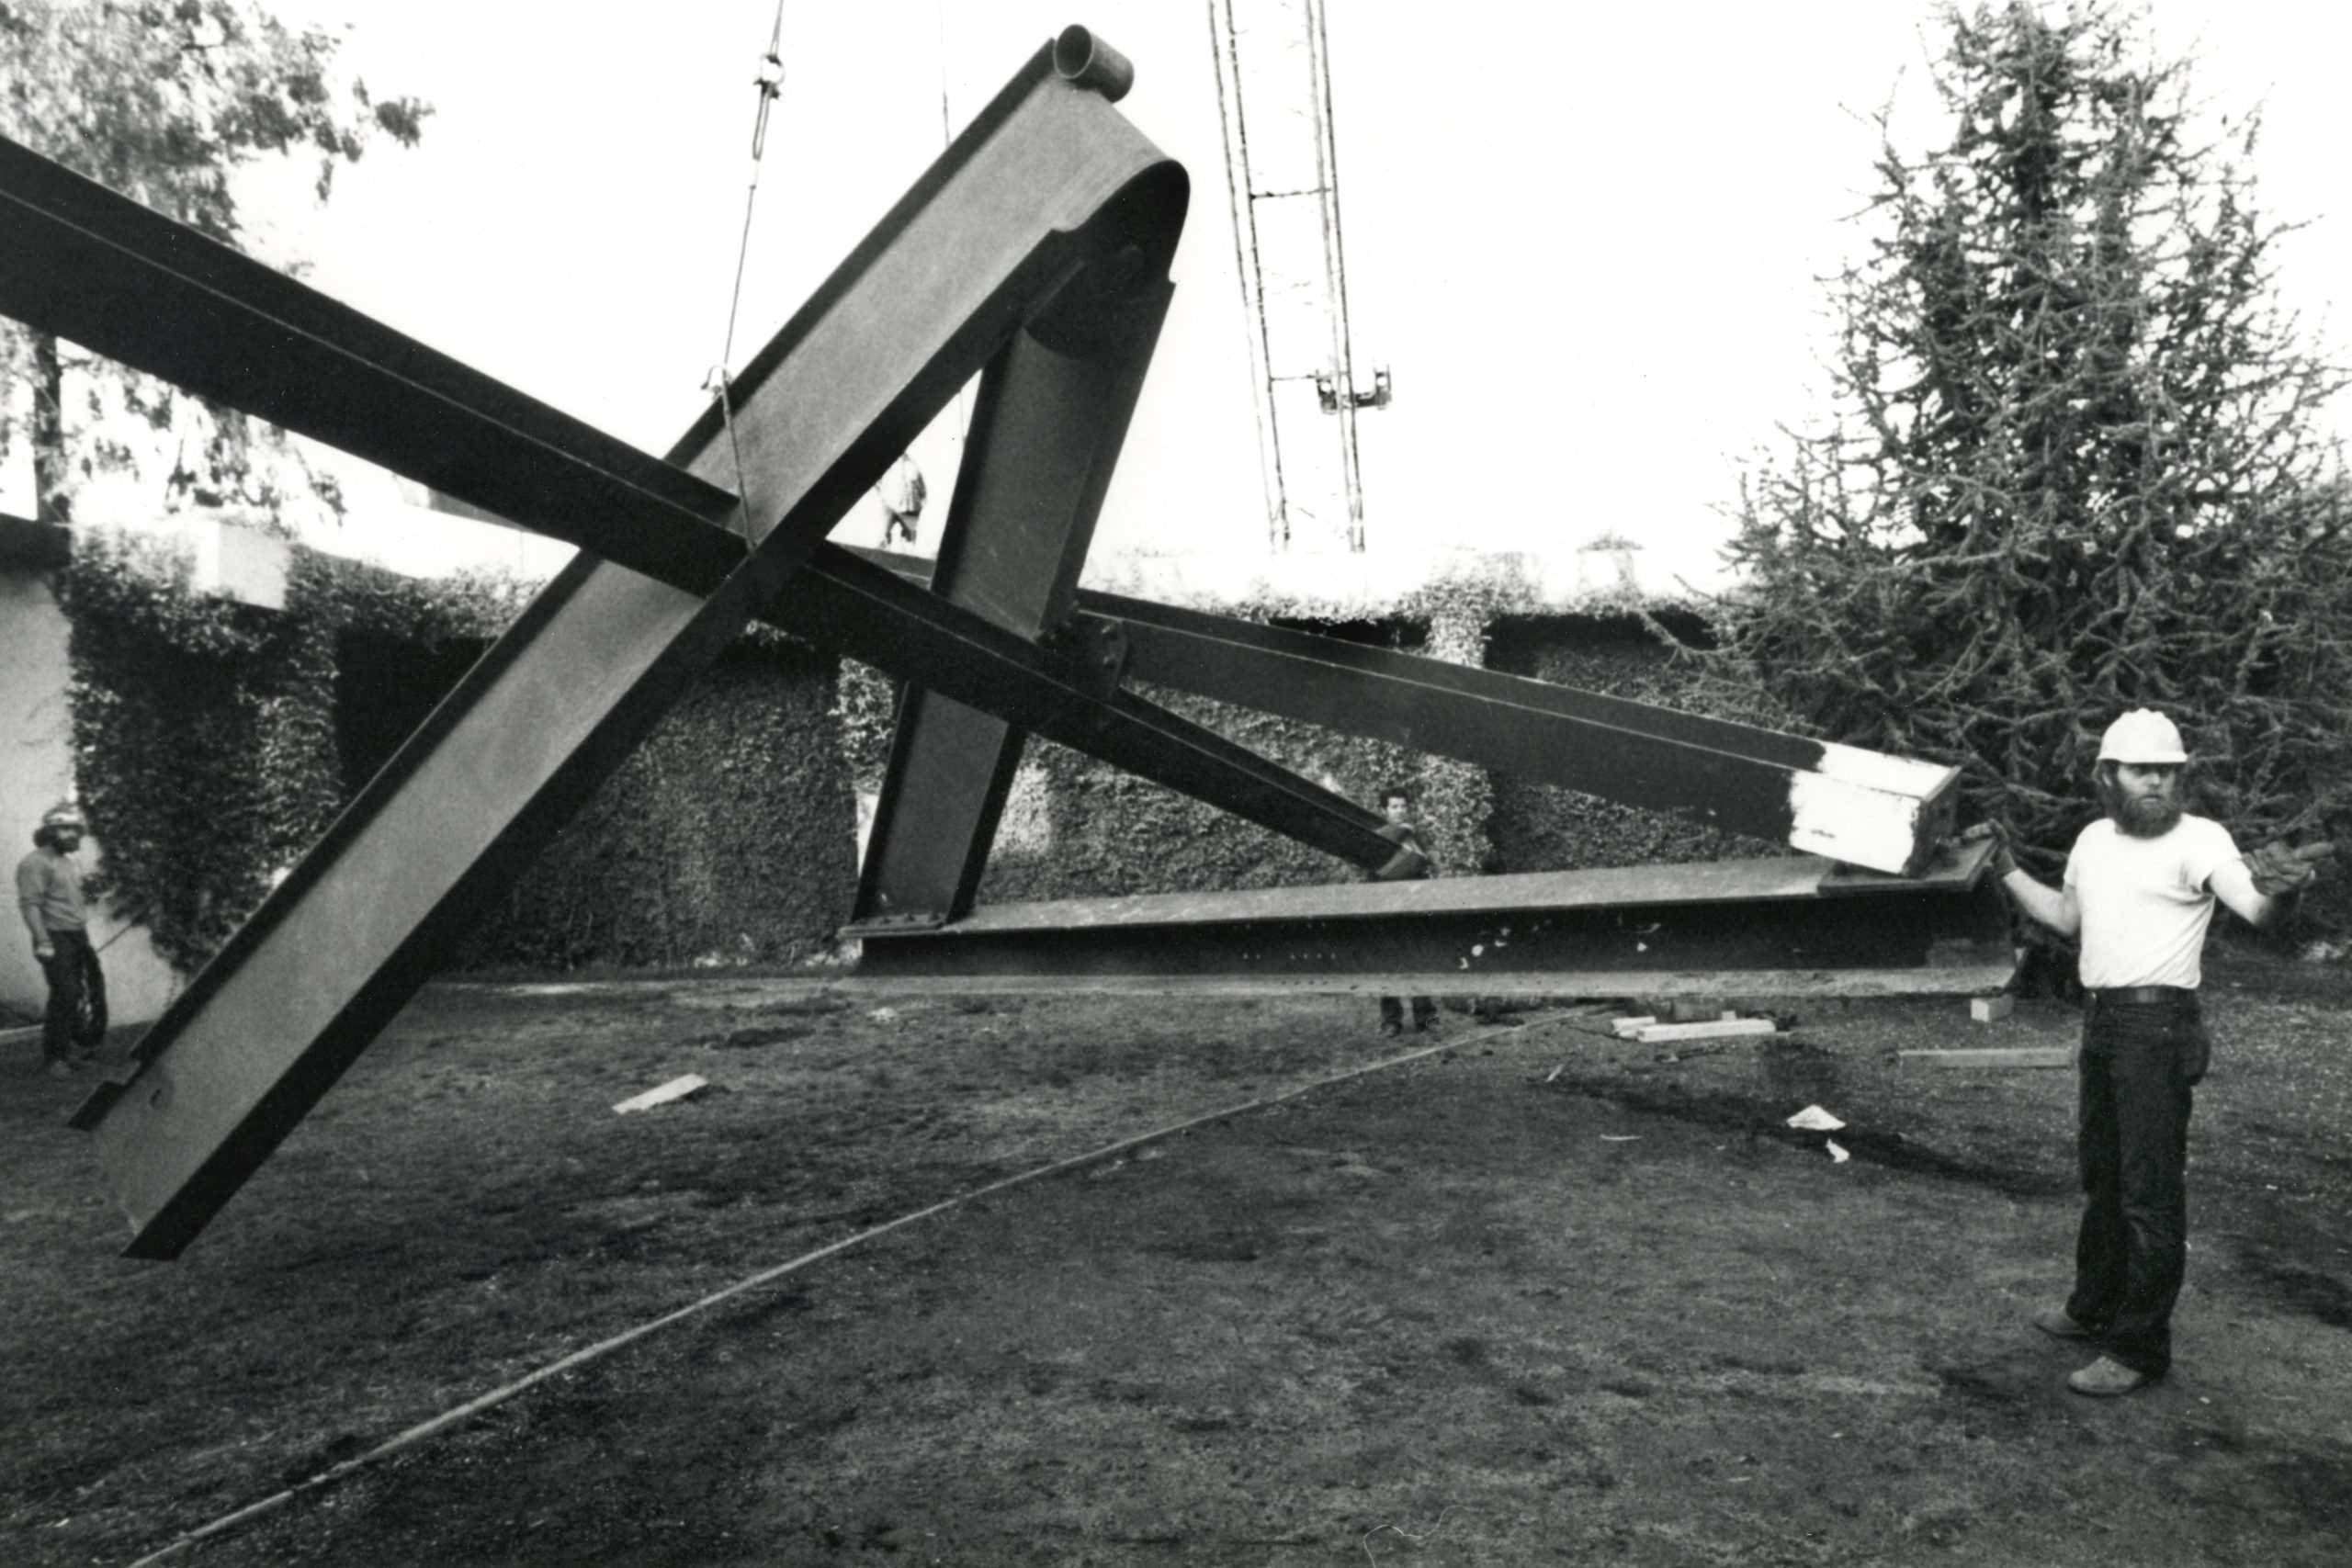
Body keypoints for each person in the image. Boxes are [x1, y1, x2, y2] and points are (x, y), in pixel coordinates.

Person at [1978, 709, 2329, 1396]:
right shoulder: (2091, 840)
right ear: (2107, 776)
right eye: (2143, 771)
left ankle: (2139, 1347)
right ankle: (2091, 1308)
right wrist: (2006, 866)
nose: (2158, 784)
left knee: (2149, 1194)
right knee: (2103, 1178)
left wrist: (2285, 893)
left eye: (2168, 772)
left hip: (2159, 1030)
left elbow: (2255, 907)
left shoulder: (2201, 841)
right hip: (2103, 1023)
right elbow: (2066, 919)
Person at [17, 801, 107, 1078]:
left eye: (76, 831)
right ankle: (55, 1058)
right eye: (67, 829)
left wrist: (92, 895)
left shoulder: (68, 863)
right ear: (51, 831)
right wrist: (43, 940)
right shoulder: (34, 863)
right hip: (54, 936)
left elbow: (71, 898)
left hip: (77, 935)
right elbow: (30, 905)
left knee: (83, 991)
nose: (74, 836)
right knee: (66, 993)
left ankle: (70, 1052)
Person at [1373, 785, 1439, 1037]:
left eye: (1403, 806)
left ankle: (1427, 1017)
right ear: (1384, 811)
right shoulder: (1379, 836)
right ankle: (1391, 1021)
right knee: (1388, 963)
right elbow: (1378, 864)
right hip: (1387, 908)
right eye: (1394, 807)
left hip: (1413, 906)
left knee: (1418, 960)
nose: (1400, 811)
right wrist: (1400, 831)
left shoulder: (1415, 837)